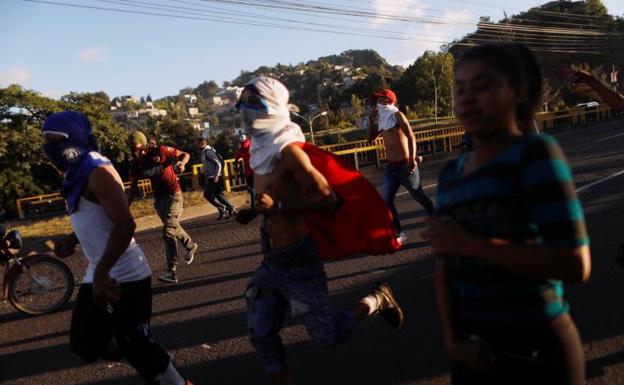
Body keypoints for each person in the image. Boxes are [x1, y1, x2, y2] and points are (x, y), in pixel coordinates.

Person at [422, 43, 591, 385]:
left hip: (538, 348)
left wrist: (472, 245)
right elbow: (444, 263)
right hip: (473, 349)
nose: (467, 98)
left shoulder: (536, 154)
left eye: (482, 86)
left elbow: (575, 264)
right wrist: (453, 342)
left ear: (517, 92)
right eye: (459, 89)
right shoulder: (451, 174)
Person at [235, 76, 403, 385]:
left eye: (253, 105)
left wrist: (279, 209)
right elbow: (274, 198)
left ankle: (376, 300)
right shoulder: (259, 151)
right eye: (242, 104)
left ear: (271, 108)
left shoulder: (289, 151)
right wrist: (254, 211)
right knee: (261, 333)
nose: (246, 112)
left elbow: (328, 198)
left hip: (299, 260)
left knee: (327, 337)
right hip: (273, 260)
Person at [43, 111, 193, 385]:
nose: (50, 147)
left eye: (57, 139)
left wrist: (101, 273)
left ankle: (163, 371)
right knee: (85, 342)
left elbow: (125, 225)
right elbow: (96, 216)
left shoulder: (97, 171)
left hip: (124, 275)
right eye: (46, 140)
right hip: (100, 272)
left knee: (136, 345)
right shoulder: (77, 173)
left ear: (75, 138)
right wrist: (72, 239)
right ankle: (152, 361)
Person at [128, 132, 197, 284]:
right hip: (159, 199)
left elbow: (185, 154)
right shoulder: (136, 165)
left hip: (174, 194)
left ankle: (171, 271)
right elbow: (133, 187)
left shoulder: (160, 151)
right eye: (131, 149)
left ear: (144, 144)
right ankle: (190, 245)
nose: (134, 152)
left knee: (168, 231)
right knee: (171, 226)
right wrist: (126, 206)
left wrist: (182, 163)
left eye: (136, 148)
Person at [367, 88, 434, 244]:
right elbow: (369, 139)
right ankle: (399, 233)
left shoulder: (397, 115)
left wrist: (411, 158)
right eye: (378, 100)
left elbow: (411, 136)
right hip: (391, 168)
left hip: (405, 165)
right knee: (386, 200)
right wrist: (371, 121)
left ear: (390, 101)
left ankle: (440, 224)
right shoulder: (381, 120)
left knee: (420, 196)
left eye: (383, 100)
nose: (380, 103)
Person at [197, 137, 237, 219]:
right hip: (211, 176)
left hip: (213, 176)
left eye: (197, 143)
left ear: (202, 143)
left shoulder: (208, 152)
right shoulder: (205, 152)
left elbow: (218, 163)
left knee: (207, 194)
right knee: (219, 195)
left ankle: (222, 207)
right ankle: (231, 208)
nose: (196, 145)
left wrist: (216, 175)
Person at [235, 134, 255, 208]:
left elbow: (237, 157)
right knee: (251, 188)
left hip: (253, 170)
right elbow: (237, 157)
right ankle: (254, 203)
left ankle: (254, 204)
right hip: (250, 169)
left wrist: (236, 165)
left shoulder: (248, 146)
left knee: (251, 188)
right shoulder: (242, 148)